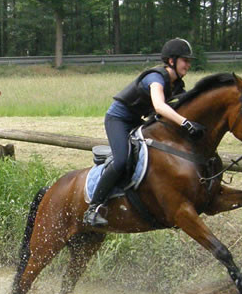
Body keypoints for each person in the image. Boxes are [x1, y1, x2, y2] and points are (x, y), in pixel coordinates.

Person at [83, 38, 206, 227]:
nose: (188, 65)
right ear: (171, 60)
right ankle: (93, 208)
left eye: (189, 61)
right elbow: (159, 106)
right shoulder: (155, 78)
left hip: (137, 121)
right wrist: (185, 123)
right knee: (122, 161)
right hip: (118, 120)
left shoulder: (176, 85)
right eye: (185, 60)